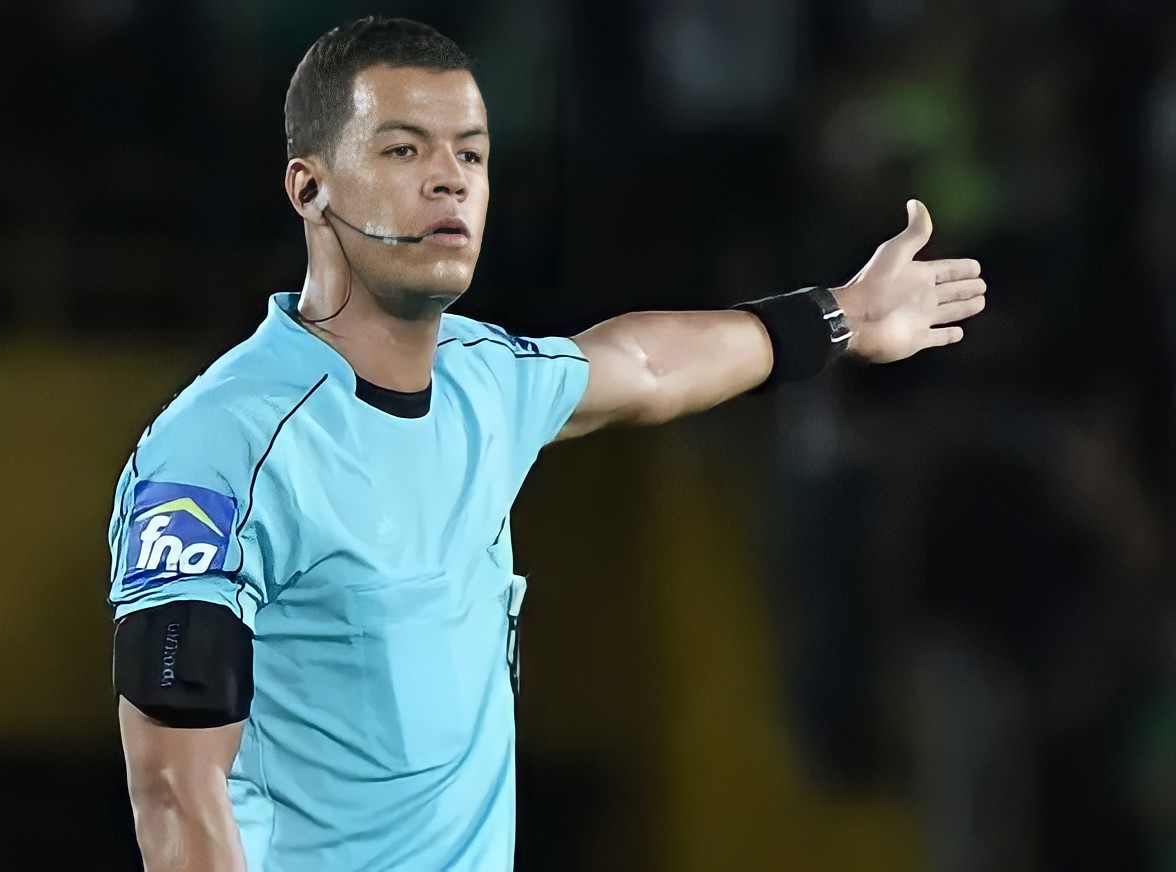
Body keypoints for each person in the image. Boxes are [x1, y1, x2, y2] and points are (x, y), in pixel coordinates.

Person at [106, 16, 987, 872]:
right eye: (404, 150)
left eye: (472, 155)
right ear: (311, 188)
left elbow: (645, 364)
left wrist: (843, 315)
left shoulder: (485, 381)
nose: (449, 181)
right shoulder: (222, 447)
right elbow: (175, 791)